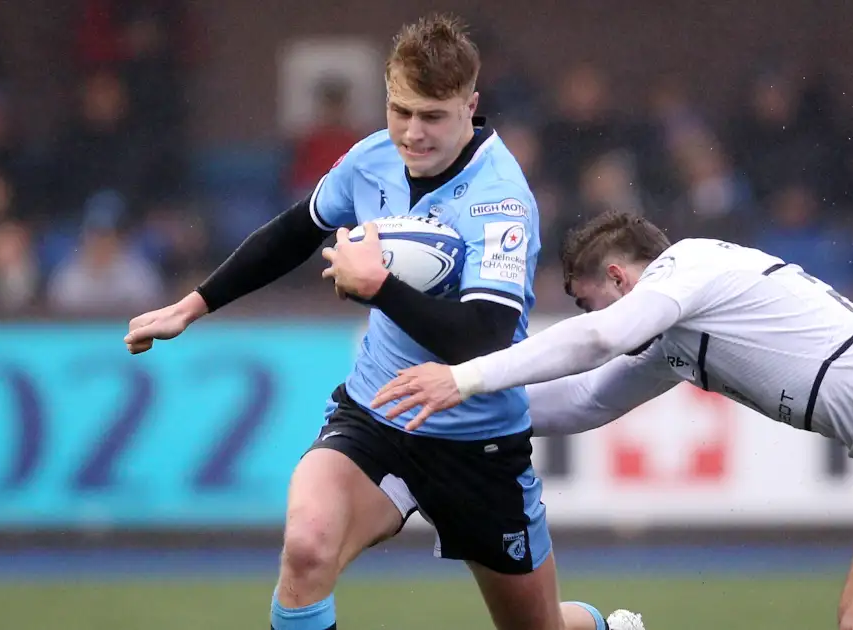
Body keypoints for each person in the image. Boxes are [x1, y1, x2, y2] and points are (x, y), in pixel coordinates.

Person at [124, 14, 642, 630]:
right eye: (400, 111)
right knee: (307, 546)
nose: (412, 134)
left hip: (476, 440)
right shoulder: (372, 157)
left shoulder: (502, 200)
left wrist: (380, 288)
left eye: (433, 116)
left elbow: (485, 337)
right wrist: (195, 303)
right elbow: (297, 230)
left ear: (470, 106)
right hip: (378, 413)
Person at [372, 209, 853, 630]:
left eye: (585, 299)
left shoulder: (688, 266)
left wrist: (465, 377)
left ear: (618, 276)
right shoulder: (678, 335)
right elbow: (588, 399)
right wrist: (463, 420)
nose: (587, 313)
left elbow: (601, 337)